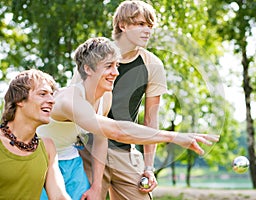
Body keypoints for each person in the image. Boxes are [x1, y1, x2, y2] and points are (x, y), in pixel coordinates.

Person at [40, 36, 219, 199]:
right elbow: (117, 130)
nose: (116, 72)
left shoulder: (104, 96)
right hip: (41, 161)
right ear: (88, 69)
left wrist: (96, 187)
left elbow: (102, 138)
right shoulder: (70, 100)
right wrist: (173, 136)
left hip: (70, 161)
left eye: (116, 65)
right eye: (108, 66)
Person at [81, 1, 171, 199]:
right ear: (122, 25)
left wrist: (149, 167)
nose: (147, 30)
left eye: (149, 26)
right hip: (87, 150)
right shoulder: (95, 56)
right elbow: (77, 106)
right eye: (140, 24)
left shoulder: (152, 65)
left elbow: (150, 119)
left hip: (125, 153)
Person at [0, 69, 70, 200]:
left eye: (51, 94)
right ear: (19, 99)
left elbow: (59, 197)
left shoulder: (47, 147)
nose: (51, 100)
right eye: (42, 94)